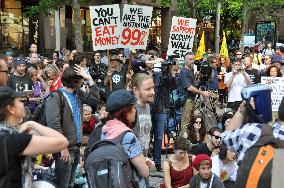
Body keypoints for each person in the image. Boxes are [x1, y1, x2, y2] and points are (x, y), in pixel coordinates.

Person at [0, 86, 69, 188]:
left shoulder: (7, 134)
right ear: (11, 109)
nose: (23, 104)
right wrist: (32, 124)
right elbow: (63, 142)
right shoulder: (14, 139)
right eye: (19, 101)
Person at [44, 65, 100, 188]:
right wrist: (62, 147)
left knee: (70, 183)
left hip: (75, 147)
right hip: (64, 149)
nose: (82, 81)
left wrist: (90, 79)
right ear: (76, 80)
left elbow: (95, 100)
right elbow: (53, 124)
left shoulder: (78, 94)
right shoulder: (56, 96)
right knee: (63, 184)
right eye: (81, 79)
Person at [101, 89, 154, 186]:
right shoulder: (127, 136)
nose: (135, 111)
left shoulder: (104, 131)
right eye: (134, 108)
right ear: (126, 112)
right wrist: (147, 164)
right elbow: (144, 172)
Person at [179, 52, 209, 136]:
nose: (192, 61)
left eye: (193, 59)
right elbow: (189, 87)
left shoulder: (191, 70)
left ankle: (189, 140)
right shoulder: (184, 71)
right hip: (187, 99)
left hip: (191, 99)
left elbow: (192, 84)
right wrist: (202, 92)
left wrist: (196, 78)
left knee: (191, 122)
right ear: (185, 60)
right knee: (185, 123)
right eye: (190, 59)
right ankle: (182, 145)